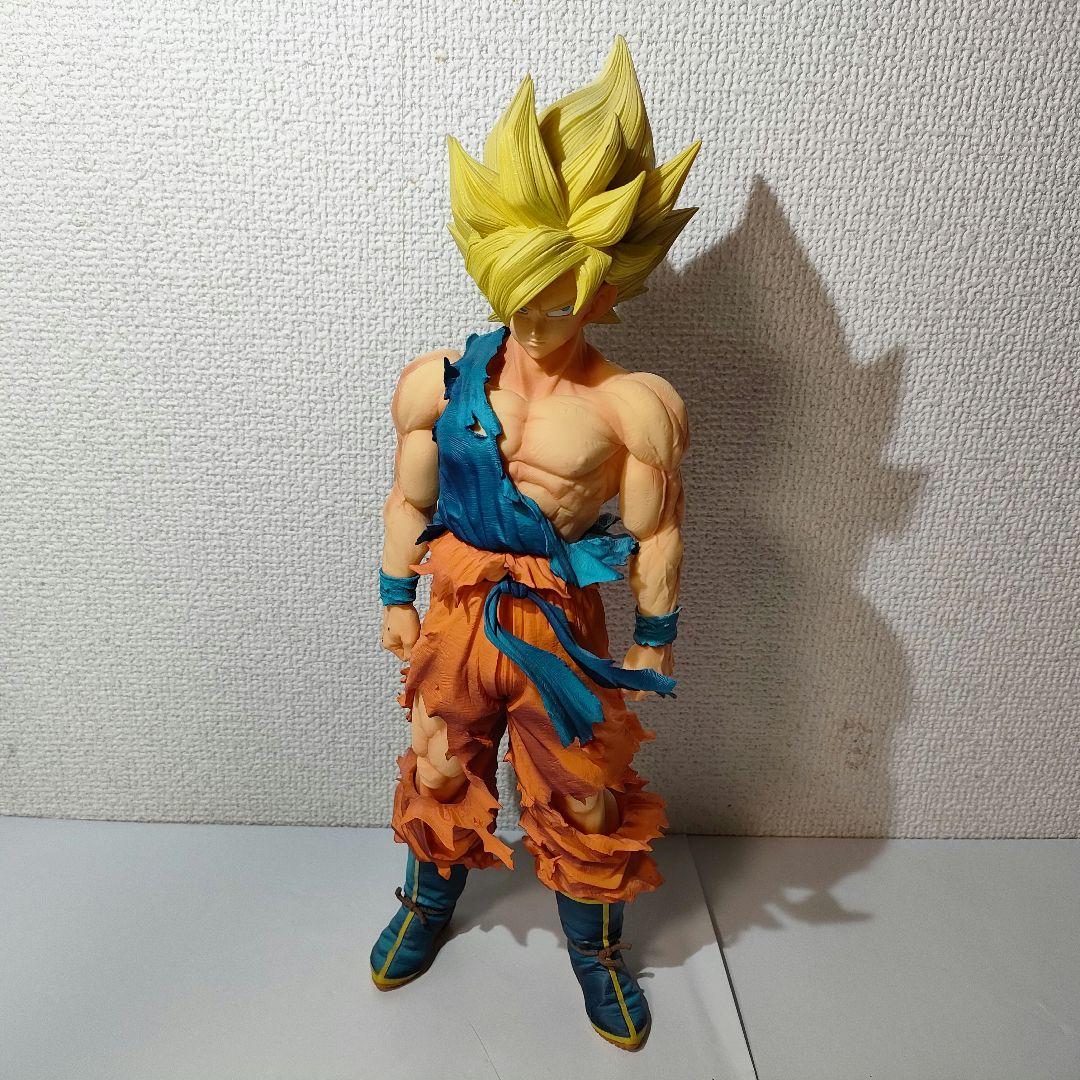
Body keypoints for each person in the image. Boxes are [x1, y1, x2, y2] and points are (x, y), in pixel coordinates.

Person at [370, 35, 699, 1051]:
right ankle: (428, 903)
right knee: (439, 764)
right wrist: (393, 595)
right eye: (520, 290)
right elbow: (407, 498)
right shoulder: (439, 381)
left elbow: (657, 529)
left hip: (560, 620)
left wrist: (655, 636)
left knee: (590, 791)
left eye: (561, 296)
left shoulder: (632, 407)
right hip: (458, 611)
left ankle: (595, 950)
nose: (535, 316)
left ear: (603, 287)